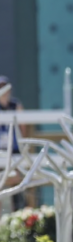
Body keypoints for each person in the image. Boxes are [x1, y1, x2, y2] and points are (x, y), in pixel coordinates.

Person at [0, 76, 27, 211]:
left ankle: (18, 211)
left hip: (14, 149)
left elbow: (23, 127)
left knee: (16, 182)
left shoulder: (15, 105)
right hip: (0, 150)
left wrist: (23, 146)